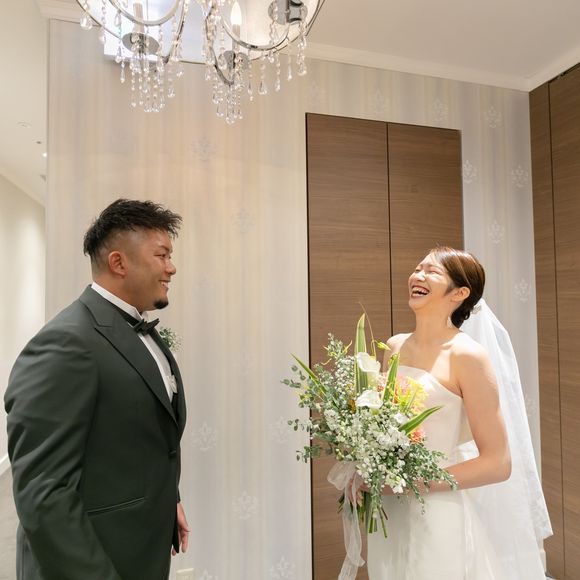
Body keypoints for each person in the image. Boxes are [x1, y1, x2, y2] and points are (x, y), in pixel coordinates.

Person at [4, 199, 189, 580]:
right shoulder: (65, 343)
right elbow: (44, 492)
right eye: (162, 255)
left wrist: (169, 499)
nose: (171, 267)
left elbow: (143, 438)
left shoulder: (133, 327)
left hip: (139, 548)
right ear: (119, 263)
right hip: (92, 560)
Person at [364, 246, 551, 579]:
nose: (418, 276)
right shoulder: (394, 346)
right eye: (418, 268)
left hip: (437, 511)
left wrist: (414, 483)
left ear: (460, 293)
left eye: (432, 271)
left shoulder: (467, 356)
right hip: (389, 508)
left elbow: (498, 463)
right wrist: (363, 466)